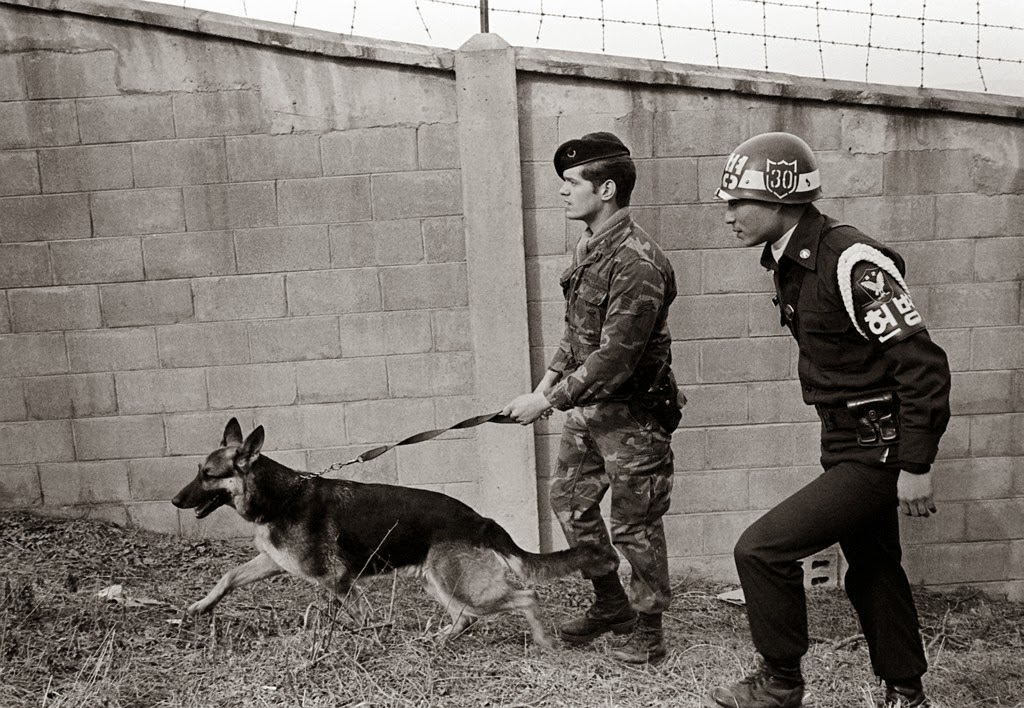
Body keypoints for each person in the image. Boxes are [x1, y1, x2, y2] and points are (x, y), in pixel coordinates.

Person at [704, 132, 951, 708]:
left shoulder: (851, 261)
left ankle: (781, 682)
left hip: (879, 447)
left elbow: (923, 366)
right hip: (846, 438)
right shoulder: (790, 261)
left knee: (761, 549)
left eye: (740, 201)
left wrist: (916, 462)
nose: (729, 215)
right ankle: (906, 692)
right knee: (873, 566)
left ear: (782, 199)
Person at [501, 131, 683, 664]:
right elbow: (576, 335)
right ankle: (611, 606)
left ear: (606, 189)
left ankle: (649, 632)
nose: (562, 191)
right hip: (589, 410)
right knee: (571, 504)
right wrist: (540, 388)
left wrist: (548, 402)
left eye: (572, 182)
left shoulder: (637, 261)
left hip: (634, 417)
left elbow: (614, 359)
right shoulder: (590, 248)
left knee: (636, 524)